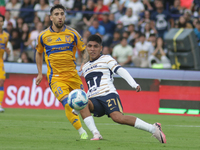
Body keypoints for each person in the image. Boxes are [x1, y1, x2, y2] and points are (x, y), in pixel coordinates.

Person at [81, 34, 167, 143]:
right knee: (83, 103)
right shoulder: (85, 67)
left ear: (100, 48)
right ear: (86, 47)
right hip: (94, 98)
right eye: (90, 46)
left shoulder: (106, 58)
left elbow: (120, 70)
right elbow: (91, 86)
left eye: (95, 46)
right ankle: (96, 134)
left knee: (118, 118)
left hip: (108, 94)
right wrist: (78, 105)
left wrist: (133, 84)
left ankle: (153, 128)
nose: (92, 49)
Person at [35, 4, 102, 140]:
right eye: (57, 14)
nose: (60, 17)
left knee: (83, 104)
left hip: (73, 76)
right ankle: (81, 131)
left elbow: (84, 50)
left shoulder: (73, 33)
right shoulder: (43, 36)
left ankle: (95, 133)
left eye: (62, 14)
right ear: (51, 17)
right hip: (56, 78)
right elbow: (38, 53)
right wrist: (40, 73)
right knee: (68, 102)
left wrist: (84, 62)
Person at [0, 14, 10, 112]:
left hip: (0, 61)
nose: (0, 23)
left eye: (1, 21)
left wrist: (7, 50)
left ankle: (0, 105)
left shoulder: (6, 35)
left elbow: (5, 46)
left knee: (2, 81)